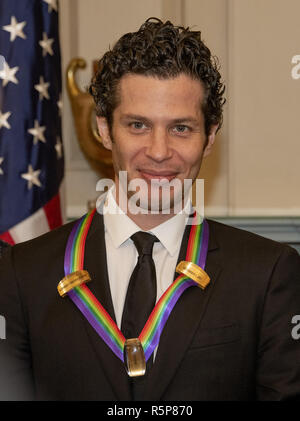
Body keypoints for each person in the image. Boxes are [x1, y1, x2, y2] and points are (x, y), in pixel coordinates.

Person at [0, 17, 300, 401]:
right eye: (138, 125)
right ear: (105, 129)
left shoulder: (268, 274)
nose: (159, 152)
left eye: (181, 128)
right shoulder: (22, 273)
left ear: (210, 137)